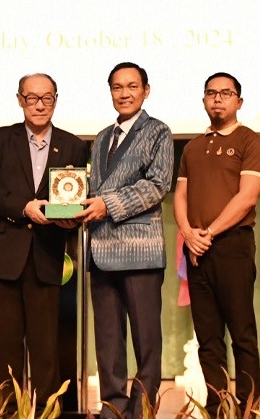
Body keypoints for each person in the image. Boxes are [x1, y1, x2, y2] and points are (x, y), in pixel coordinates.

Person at [0, 73, 89, 412]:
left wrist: (72, 215)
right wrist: (23, 208)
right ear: (19, 99)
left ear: (56, 99)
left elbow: (76, 197)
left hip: (48, 255)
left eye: (47, 98)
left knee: (46, 349)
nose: (39, 105)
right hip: (5, 256)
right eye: (32, 98)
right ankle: (7, 411)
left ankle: (46, 412)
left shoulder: (73, 145)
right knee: (4, 349)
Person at [76, 62, 174, 419]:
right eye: (118, 87)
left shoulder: (158, 131)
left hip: (140, 251)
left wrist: (106, 204)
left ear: (146, 90)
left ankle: (142, 409)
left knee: (146, 341)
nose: (125, 93)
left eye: (132, 86)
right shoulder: (102, 136)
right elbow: (93, 188)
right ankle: (113, 408)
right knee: (108, 342)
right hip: (101, 250)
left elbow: (158, 185)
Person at [174, 73, 260, 414]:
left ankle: (247, 407)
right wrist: (187, 232)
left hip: (232, 246)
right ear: (203, 100)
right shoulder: (193, 147)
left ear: (238, 101)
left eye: (225, 93)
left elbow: (246, 199)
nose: (217, 99)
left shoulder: (250, 142)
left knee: (242, 334)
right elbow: (181, 195)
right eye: (211, 93)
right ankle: (217, 407)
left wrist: (208, 233)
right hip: (196, 249)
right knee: (208, 340)